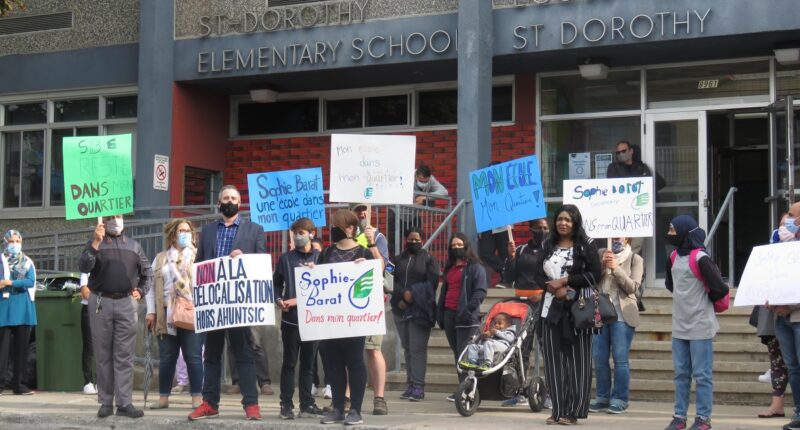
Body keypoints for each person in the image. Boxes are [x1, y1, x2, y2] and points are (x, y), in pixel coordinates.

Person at [189, 185, 265, 421]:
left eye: (234, 198)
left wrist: (245, 259)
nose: (230, 201)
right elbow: (200, 264)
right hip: (213, 305)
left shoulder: (254, 230)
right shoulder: (208, 231)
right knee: (211, 355)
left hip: (239, 304)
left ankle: (251, 404)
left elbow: (262, 264)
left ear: (239, 204)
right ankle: (209, 403)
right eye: (226, 198)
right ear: (219, 204)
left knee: (244, 353)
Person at [532, 204, 601, 425]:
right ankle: (558, 409)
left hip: (578, 310)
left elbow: (595, 274)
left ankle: (573, 411)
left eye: (568, 220)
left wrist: (566, 282)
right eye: (560, 219)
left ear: (576, 223)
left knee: (579, 362)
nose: (563, 223)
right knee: (553, 361)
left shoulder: (587, 244)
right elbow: (536, 272)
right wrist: (552, 288)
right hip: (550, 310)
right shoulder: (547, 244)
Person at [78, 215, 152, 419]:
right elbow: (84, 266)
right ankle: (105, 402)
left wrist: (142, 291)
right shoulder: (95, 243)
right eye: (111, 217)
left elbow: (148, 272)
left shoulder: (134, 246)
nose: (115, 220)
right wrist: (95, 242)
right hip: (100, 302)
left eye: (118, 216)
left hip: (126, 303)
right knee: (103, 355)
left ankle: (124, 403)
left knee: (124, 355)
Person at [664, 215, 728, 430]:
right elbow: (670, 284)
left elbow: (720, 288)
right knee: (681, 374)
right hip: (679, 325)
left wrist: (701, 302)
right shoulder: (673, 256)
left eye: (673, 230)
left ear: (684, 232)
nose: (670, 234)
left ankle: (703, 419)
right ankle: (679, 417)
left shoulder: (700, 257)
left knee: (702, 375)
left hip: (700, 325)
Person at [318, 209, 380, 426]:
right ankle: (337, 408)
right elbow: (319, 280)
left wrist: (367, 266)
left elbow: (377, 275)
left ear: (350, 229)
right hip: (329, 320)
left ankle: (355, 409)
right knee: (333, 363)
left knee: (354, 361)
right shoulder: (326, 253)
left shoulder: (364, 252)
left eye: (336, 226)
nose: (332, 230)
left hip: (354, 320)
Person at [145, 219, 203, 410]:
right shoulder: (160, 259)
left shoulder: (199, 257)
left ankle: (197, 398)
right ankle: (163, 398)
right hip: (166, 313)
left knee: (193, 356)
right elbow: (151, 288)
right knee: (167, 357)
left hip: (190, 311)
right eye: (181, 230)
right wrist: (151, 312)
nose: (185, 233)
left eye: (188, 230)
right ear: (172, 234)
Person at [274, 218, 325, 420]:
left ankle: (307, 404)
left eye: (302, 232)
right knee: (289, 363)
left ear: (312, 233)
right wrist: (278, 299)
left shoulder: (321, 258)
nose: (298, 236)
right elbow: (276, 283)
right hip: (290, 321)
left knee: (308, 364)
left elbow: (328, 285)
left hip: (313, 320)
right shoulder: (286, 258)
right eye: (295, 232)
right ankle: (286, 405)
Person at [589, 237, 643, 415]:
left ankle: (620, 398)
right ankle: (602, 396)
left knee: (620, 359)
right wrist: (602, 267)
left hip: (622, 314)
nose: (617, 236)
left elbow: (633, 287)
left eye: (621, 232)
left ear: (628, 236)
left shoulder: (635, 259)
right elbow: (590, 281)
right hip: (600, 312)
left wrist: (616, 268)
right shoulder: (600, 254)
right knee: (599, 357)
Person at [501, 217, 549, 407]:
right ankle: (519, 391)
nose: (543, 230)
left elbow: (559, 276)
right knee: (521, 349)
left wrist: (543, 293)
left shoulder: (552, 251)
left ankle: (551, 394)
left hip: (544, 303)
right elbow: (509, 277)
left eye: (546, 228)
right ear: (531, 229)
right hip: (521, 305)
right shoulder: (521, 250)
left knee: (547, 349)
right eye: (539, 227)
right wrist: (511, 258)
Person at [436, 232, 488, 401]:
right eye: (453, 246)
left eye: (460, 245)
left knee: (466, 356)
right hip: (449, 315)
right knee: (457, 355)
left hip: (466, 318)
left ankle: (468, 391)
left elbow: (480, 292)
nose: (456, 248)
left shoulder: (475, 268)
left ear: (466, 247)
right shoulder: (449, 268)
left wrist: (467, 310)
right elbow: (445, 291)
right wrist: (441, 314)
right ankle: (462, 389)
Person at [390, 227, 440, 402]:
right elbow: (388, 280)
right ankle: (410, 383)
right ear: (405, 240)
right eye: (410, 239)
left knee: (418, 349)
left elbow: (432, 284)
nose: (413, 242)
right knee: (408, 348)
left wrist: (412, 295)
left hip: (420, 310)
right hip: (399, 308)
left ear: (422, 240)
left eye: (417, 239)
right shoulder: (397, 260)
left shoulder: (429, 260)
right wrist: (401, 296)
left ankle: (419, 386)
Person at [753, 212, 794, 419]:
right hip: (773, 314)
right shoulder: (771, 249)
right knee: (777, 360)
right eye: (781, 224)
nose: (783, 228)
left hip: (794, 312)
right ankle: (777, 404)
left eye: (789, 222)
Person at [351, 203, 389, 415]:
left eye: (364, 209)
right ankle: (346, 397)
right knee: (350, 351)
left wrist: (372, 242)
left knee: (373, 349)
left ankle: (379, 398)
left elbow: (382, 266)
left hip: (371, 301)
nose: (361, 213)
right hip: (350, 302)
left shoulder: (378, 236)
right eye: (357, 210)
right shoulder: (348, 238)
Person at [769, 202, 800, 430]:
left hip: (797, 316)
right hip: (782, 318)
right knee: (793, 367)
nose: (786, 218)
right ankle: (799, 412)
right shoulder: (781, 246)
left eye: (791, 215)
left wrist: (791, 305)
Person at [0, 230, 37, 396]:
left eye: (17, 240)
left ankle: (19, 385)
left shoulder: (27, 261)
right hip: (5, 308)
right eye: (11, 241)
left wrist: (10, 282)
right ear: (5, 242)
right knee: (3, 349)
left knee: (22, 349)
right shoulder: (1, 261)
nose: (14, 244)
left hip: (23, 309)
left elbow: (30, 281)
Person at [79, 273, 97, 395]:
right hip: (89, 310)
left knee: (104, 347)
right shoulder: (87, 271)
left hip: (104, 309)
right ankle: (88, 382)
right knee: (89, 347)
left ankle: (102, 381)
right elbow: (85, 293)